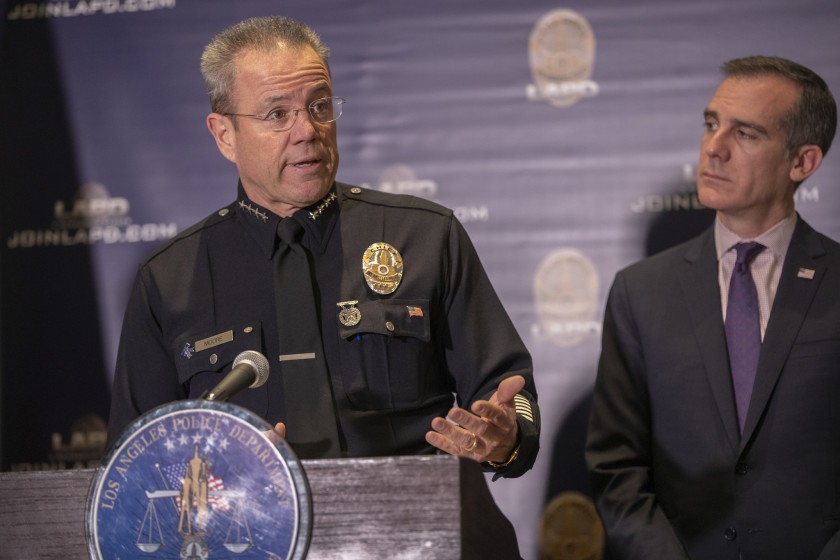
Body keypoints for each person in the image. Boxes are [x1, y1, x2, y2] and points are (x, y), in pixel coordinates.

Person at [107, 15, 539, 485]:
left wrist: (505, 438)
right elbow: (132, 465)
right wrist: (211, 477)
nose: (307, 131)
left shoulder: (425, 236)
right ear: (224, 135)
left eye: (319, 106)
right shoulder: (167, 281)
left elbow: (506, 392)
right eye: (277, 114)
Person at [585, 55, 839, 559]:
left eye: (745, 134)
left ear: (802, 162)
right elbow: (616, 466)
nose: (713, 148)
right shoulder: (640, 291)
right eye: (710, 124)